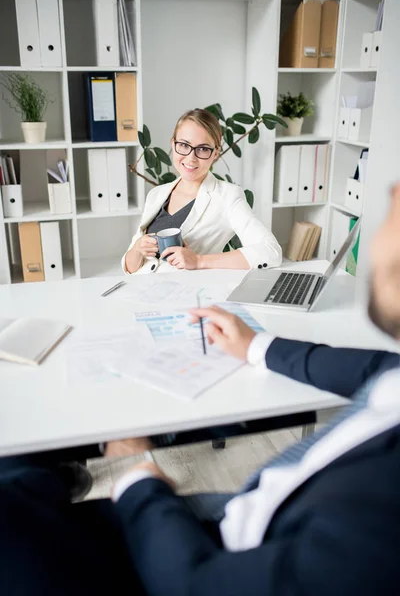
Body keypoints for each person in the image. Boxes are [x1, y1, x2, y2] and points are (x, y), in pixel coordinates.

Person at [2, 185, 400, 595]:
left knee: (11, 492)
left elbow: (196, 583)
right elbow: (376, 368)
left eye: (395, 206)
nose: (376, 234)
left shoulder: (379, 520)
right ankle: (43, 479)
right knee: (18, 462)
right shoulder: (158, 194)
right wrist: (257, 345)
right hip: (261, 502)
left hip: (210, 549)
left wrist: (137, 470)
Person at [122, 108, 282, 274]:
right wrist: (136, 248)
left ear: (215, 153)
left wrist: (199, 261)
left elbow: (271, 252)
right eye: (184, 145)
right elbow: (130, 268)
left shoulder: (227, 196)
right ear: (173, 144)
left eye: (203, 149)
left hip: (187, 295)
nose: (191, 158)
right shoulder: (156, 195)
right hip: (141, 292)